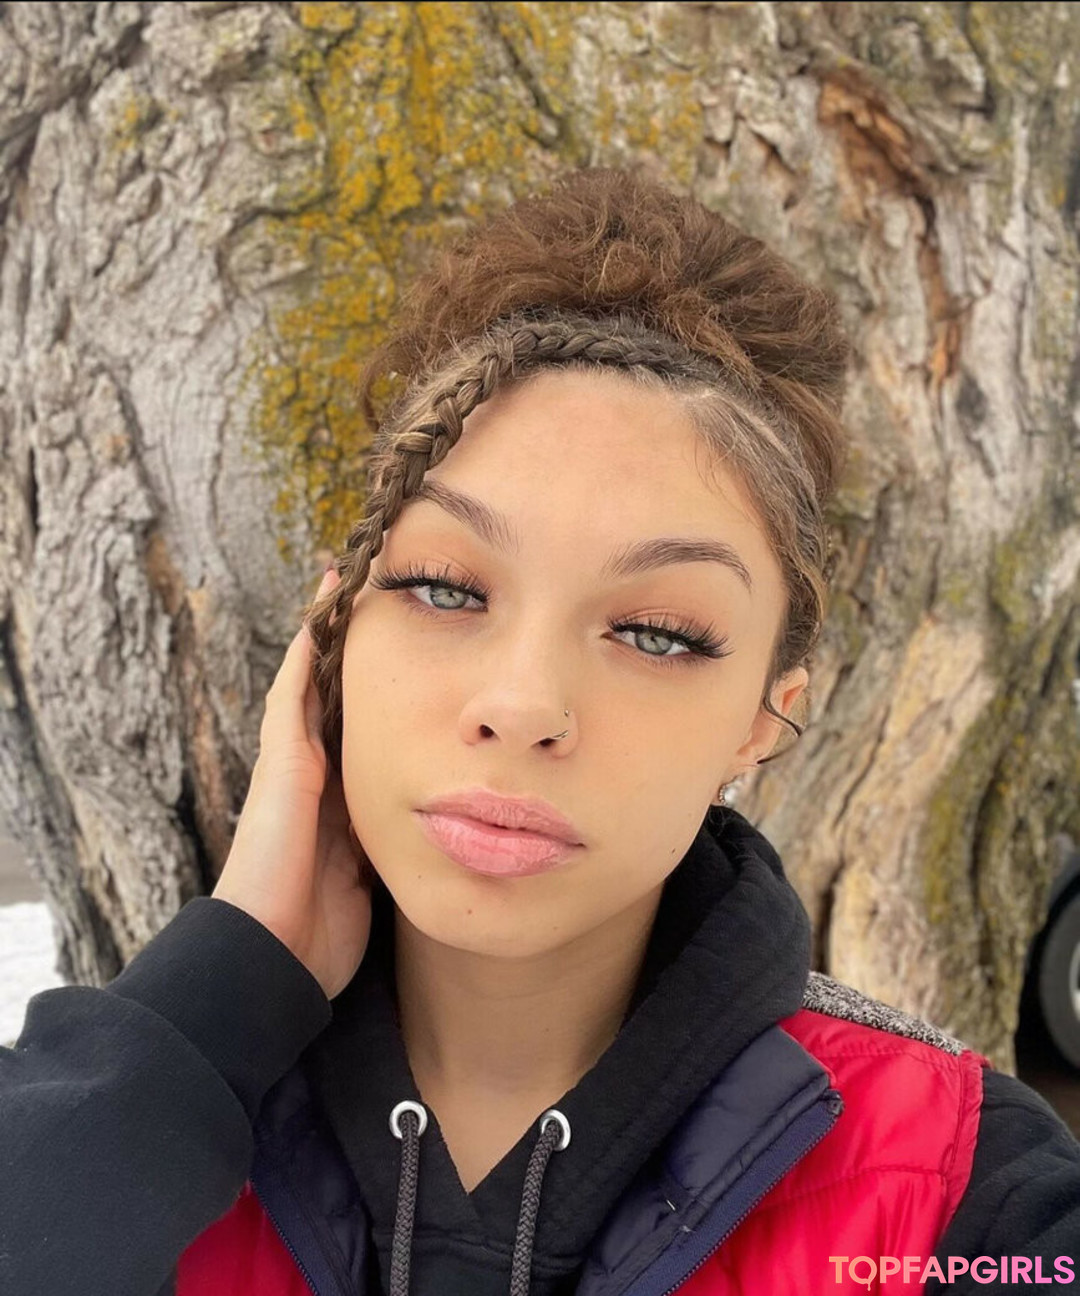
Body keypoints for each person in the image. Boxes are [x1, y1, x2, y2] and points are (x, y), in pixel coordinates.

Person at [2, 166, 1078, 1296]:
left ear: (766, 719)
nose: (521, 705)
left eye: (657, 634)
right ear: (332, 635)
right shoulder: (128, 1132)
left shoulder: (959, 1187)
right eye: (446, 588)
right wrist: (212, 1004)